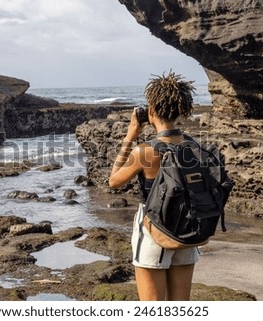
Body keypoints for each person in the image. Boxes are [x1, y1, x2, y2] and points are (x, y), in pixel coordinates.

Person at [109, 71, 198, 301]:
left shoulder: (145, 151)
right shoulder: (194, 146)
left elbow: (114, 181)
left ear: (151, 111)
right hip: (187, 230)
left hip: (153, 228)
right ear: (182, 110)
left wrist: (131, 136)